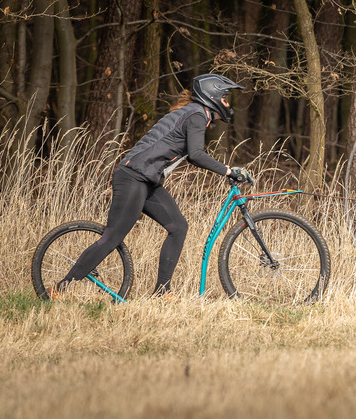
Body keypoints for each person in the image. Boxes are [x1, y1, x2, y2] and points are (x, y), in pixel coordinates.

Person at [53, 74, 253, 298]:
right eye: (225, 98)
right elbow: (196, 155)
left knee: (178, 227)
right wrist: (228, 170)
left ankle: (161, 292)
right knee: (113, 237)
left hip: (147, 179)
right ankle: (61, 287)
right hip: (133, 177)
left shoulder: (195, 114)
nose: (227, 104)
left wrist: (223, 169)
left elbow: (190, 155)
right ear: (213, 96)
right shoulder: (196, 115)